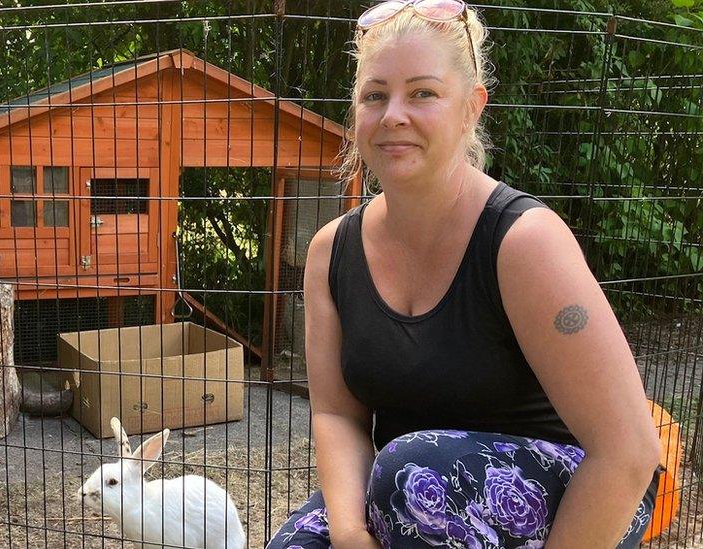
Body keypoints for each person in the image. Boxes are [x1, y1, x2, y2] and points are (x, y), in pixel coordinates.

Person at [267, 2, 662, 548]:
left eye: (423, 93)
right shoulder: (331, 252)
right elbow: (337, 415)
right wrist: (352, 535)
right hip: (414, 495)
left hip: (582, 494)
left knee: (412, 475)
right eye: (374, 95)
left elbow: (628, 453)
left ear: (472, 107)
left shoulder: (523, 241)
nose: (393, 115)